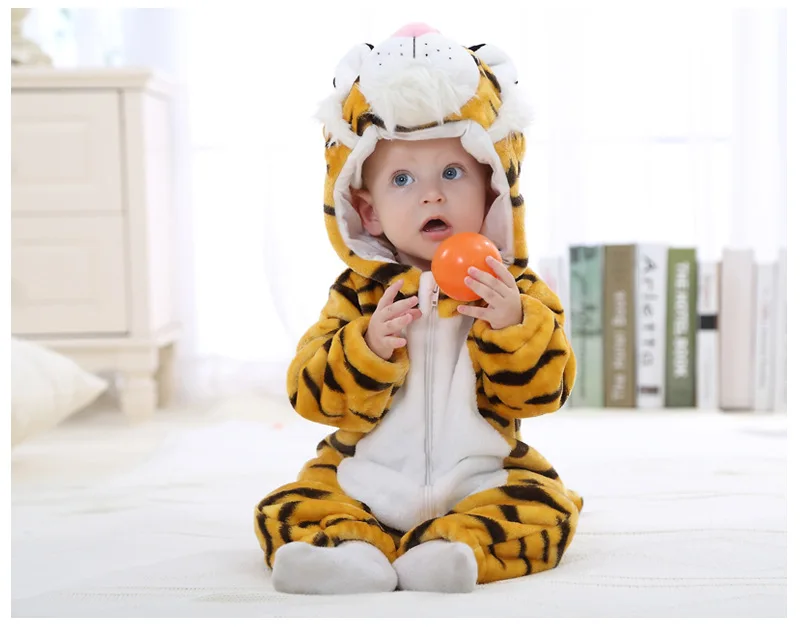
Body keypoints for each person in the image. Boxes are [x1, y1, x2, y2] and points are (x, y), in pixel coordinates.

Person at [254, 22, 582, 595]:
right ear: (368, 211)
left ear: (492, 188)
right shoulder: (358, 294)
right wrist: (366, 347)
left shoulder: (513, 289)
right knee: (289, 508)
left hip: (480, 476)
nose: (432, 194)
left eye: (452, 173)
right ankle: (349, 551)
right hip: (365, 477)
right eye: (402, 179)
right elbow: (308, 395)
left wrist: (512, 325)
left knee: (547, 510)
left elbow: (545, 393)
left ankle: (452, 548)